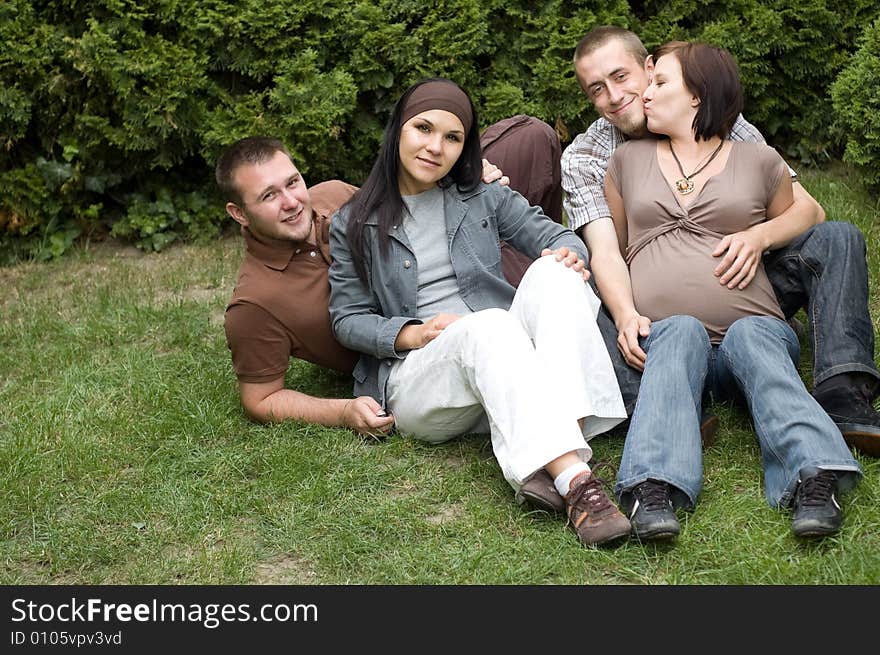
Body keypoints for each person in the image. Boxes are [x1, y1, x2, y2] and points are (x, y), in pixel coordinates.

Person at [328, 77, 632, 546]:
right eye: (423, 129)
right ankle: (577, 481)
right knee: (488, 325)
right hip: (423, 382)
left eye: (453, 138)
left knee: (556, 273)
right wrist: (413, 333)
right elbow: (347, 318)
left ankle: (556, 445)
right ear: (398, 131)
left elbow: (556, 234)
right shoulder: (353, 220)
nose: (435, 147)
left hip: (505, 367)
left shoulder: (480, 195)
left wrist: (572, 252)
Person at [562, 26, 880, 458]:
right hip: (656, 317)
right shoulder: (586, 157)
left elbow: (809, 209)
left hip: (745, 283)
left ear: (649, 67)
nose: (613, 96)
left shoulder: (717, 121)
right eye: (596, 89)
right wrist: (626, 316)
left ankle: (843, 393)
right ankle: (655, 401)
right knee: (573, 285)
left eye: (621, 77)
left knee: (836, 237)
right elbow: (607, 251)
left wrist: (757, 236)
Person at [215, 136, 511, 434]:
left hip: (462, 283)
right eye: (269, 196)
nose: (291, 202)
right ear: (239, 213)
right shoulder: (254, 303)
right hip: (413, 359)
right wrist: (342, 411)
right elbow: (261, 399)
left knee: (526, 137)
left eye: (292, 182)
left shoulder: (335, 195)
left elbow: (413, 211)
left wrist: (466, 180)